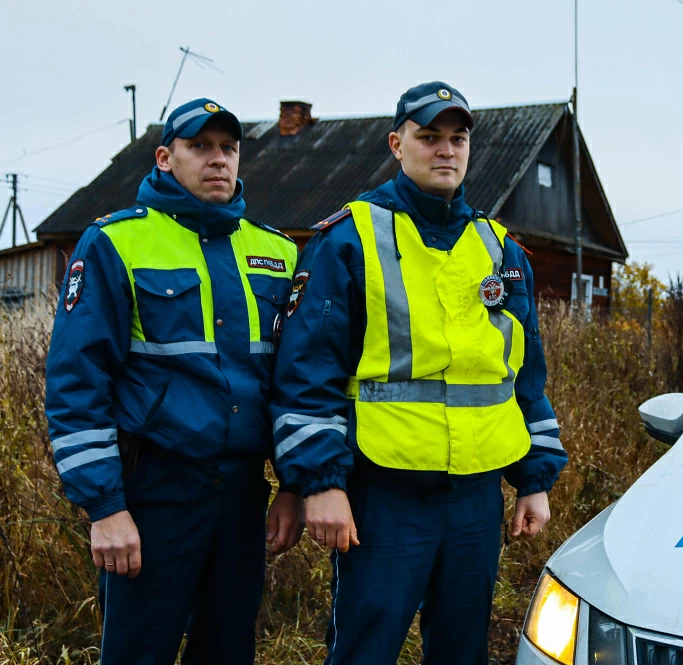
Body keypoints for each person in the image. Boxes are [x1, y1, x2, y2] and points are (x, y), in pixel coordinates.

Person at [270, 81, 567, 664]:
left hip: (476, 496)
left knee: (461, 652)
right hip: (385, 491)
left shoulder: (500, 248)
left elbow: (523, 374)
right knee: (365, 649)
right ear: (396, 143)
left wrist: (534, 478)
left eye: (457, 139)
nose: (446, 151)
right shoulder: (351, 238)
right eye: (428, 137)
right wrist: (323, 483)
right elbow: (307, 371)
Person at [44, 98, 303, 664]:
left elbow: (293, 382)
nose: (218, 160)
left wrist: (294, 484)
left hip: (241, 494)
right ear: (165, 158)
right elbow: (76, 383)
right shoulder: (116, 243)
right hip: (153, 492)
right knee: (140, 652)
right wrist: (105, 507)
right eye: (200, 147)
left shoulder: (277, 251)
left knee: (229, 651)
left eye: (228, 149)